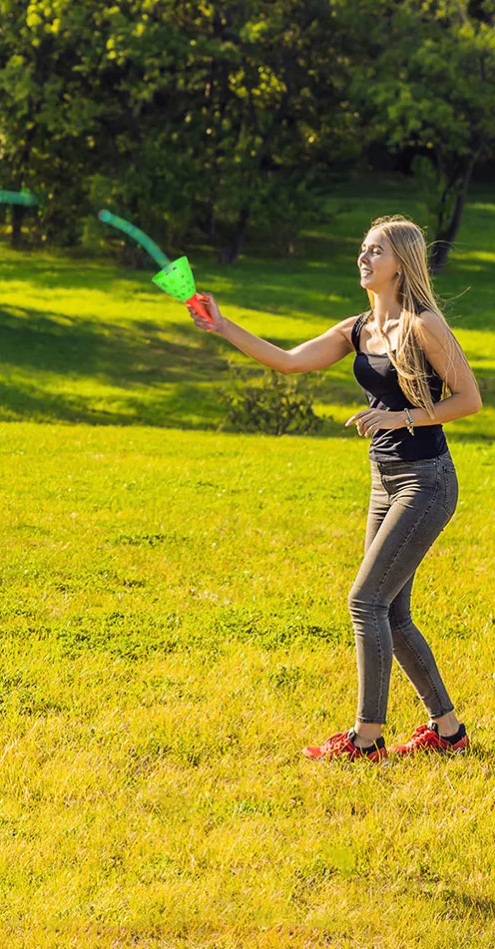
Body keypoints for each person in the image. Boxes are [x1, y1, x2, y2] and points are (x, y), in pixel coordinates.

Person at [188, 215, 483, 763]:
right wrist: (223, 326)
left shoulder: (424, 327)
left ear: (401, 264)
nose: (363, 259)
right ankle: (448, 731)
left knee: (365, 602)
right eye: (362, 250)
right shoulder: (359, 330)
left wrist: (403, 418)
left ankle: (366, 739)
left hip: (426, 481)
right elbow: (290, 362)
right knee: (392, 613)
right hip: (385, 481)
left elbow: (470, 401)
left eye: (375, 252)